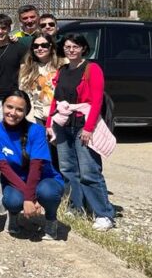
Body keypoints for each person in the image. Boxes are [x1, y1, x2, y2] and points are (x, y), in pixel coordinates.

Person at [46, 34, 116, 231]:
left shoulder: (91, 69)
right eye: (67, 46)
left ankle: (104, 213)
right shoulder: (63, 70)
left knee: (89, 171)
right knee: (68, 170)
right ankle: (75, 206)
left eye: (75, 46)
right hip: (63, 125)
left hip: (82, 125)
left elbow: (96, 101)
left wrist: (89, 128)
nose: (71, 50)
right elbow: (55, 99)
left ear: (84, 48)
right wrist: (50, 123)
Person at [0, 91, 63, 240]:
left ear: (26, 112)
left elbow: (36, 167)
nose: (13, 113)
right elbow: (4, 169)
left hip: (44, 179)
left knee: (48, 192)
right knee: (12, 201)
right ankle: (13, 217)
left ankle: (51, 220)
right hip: (14, 180)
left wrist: (29, 197)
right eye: (9, 107)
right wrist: (29, 197)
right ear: (2, 106)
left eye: (19, 109)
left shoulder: (37, 130)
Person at [0, 13, 27, 126]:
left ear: (9, 29)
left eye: (4, 28)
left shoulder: (19, 47)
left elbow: (24, 72)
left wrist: (22, 92)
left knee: (15, 128)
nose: (0, 32)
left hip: (15, 95)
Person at [19, 33, 62, 125]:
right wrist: (29, 118)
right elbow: (25, 95)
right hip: (37, 116)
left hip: (58, 116)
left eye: (44, 45)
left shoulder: (62, 65)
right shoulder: (26, 68)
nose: (39, 48)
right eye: (36, 46)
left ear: (51, 47)